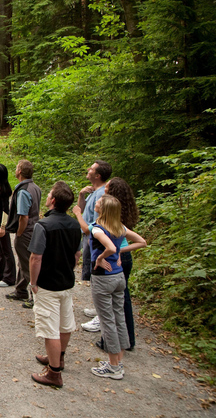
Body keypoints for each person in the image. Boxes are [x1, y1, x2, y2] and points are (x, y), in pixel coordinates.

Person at [74, 195, 146, 380]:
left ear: (103, 209)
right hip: (118, 276)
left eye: (98, 203)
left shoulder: (98, 229)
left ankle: (113, 367)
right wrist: (118, 252)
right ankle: (118, 362)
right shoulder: (119, 227)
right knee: (119, 318)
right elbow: (141, 242)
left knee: (107, 322)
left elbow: (110, 248)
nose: (96, 202)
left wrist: (100, 258)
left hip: (104, 279)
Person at [29, 181, 83, 388]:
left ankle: (54, 373)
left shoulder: (43, 225)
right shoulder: (75, 224)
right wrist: (69, 269)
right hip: (66, 283)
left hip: (48, 284)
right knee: (64, 323)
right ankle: (58, 358)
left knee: (50, 328)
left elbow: (36, 257)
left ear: (52, 200)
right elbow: (77, 254)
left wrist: (33, 282)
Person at [96, 177, 142, 352]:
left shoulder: (113, 212)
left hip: (116, 257)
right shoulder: (125, 210)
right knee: (123, 300)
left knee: (112, 303)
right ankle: (127, 339)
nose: (104, 190)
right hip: (123, 255)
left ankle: (112, 343)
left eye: (107, 188)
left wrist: (117, 252)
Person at [77, 160, 112, 332]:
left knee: (98, 275)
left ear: (97, 175)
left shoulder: (101, 195)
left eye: (91, 168)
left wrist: (80, 220)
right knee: (92, 273)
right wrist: (81, 195)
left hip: (96, 240)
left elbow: (98, 222)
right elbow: (83, 211)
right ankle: (98, 309)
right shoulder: (93, 192)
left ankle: (101, 316)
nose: (88, 170)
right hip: (89, 238)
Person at [1, 159, 41, 308]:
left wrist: (19, 233)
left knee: (26, 263)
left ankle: (34, 296)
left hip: (26, 231)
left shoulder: (23, 191)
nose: (16, 169)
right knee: (23, 261)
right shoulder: (35, 187)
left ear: (19, 172)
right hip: (35, 229)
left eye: (17, 167)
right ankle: (20, 290)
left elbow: (24, 216)